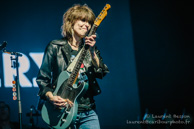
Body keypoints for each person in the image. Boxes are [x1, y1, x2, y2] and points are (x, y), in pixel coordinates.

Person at [36, 4, 109, 129]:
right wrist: (51, 97)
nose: (87, 25)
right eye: (83, 20)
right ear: (71, 21)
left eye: (89, 22)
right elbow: (43, 79)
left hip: (88, 111)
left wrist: (92, 52)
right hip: (61, 111)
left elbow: (101, 73)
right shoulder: (55, 46)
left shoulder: (90, 47)